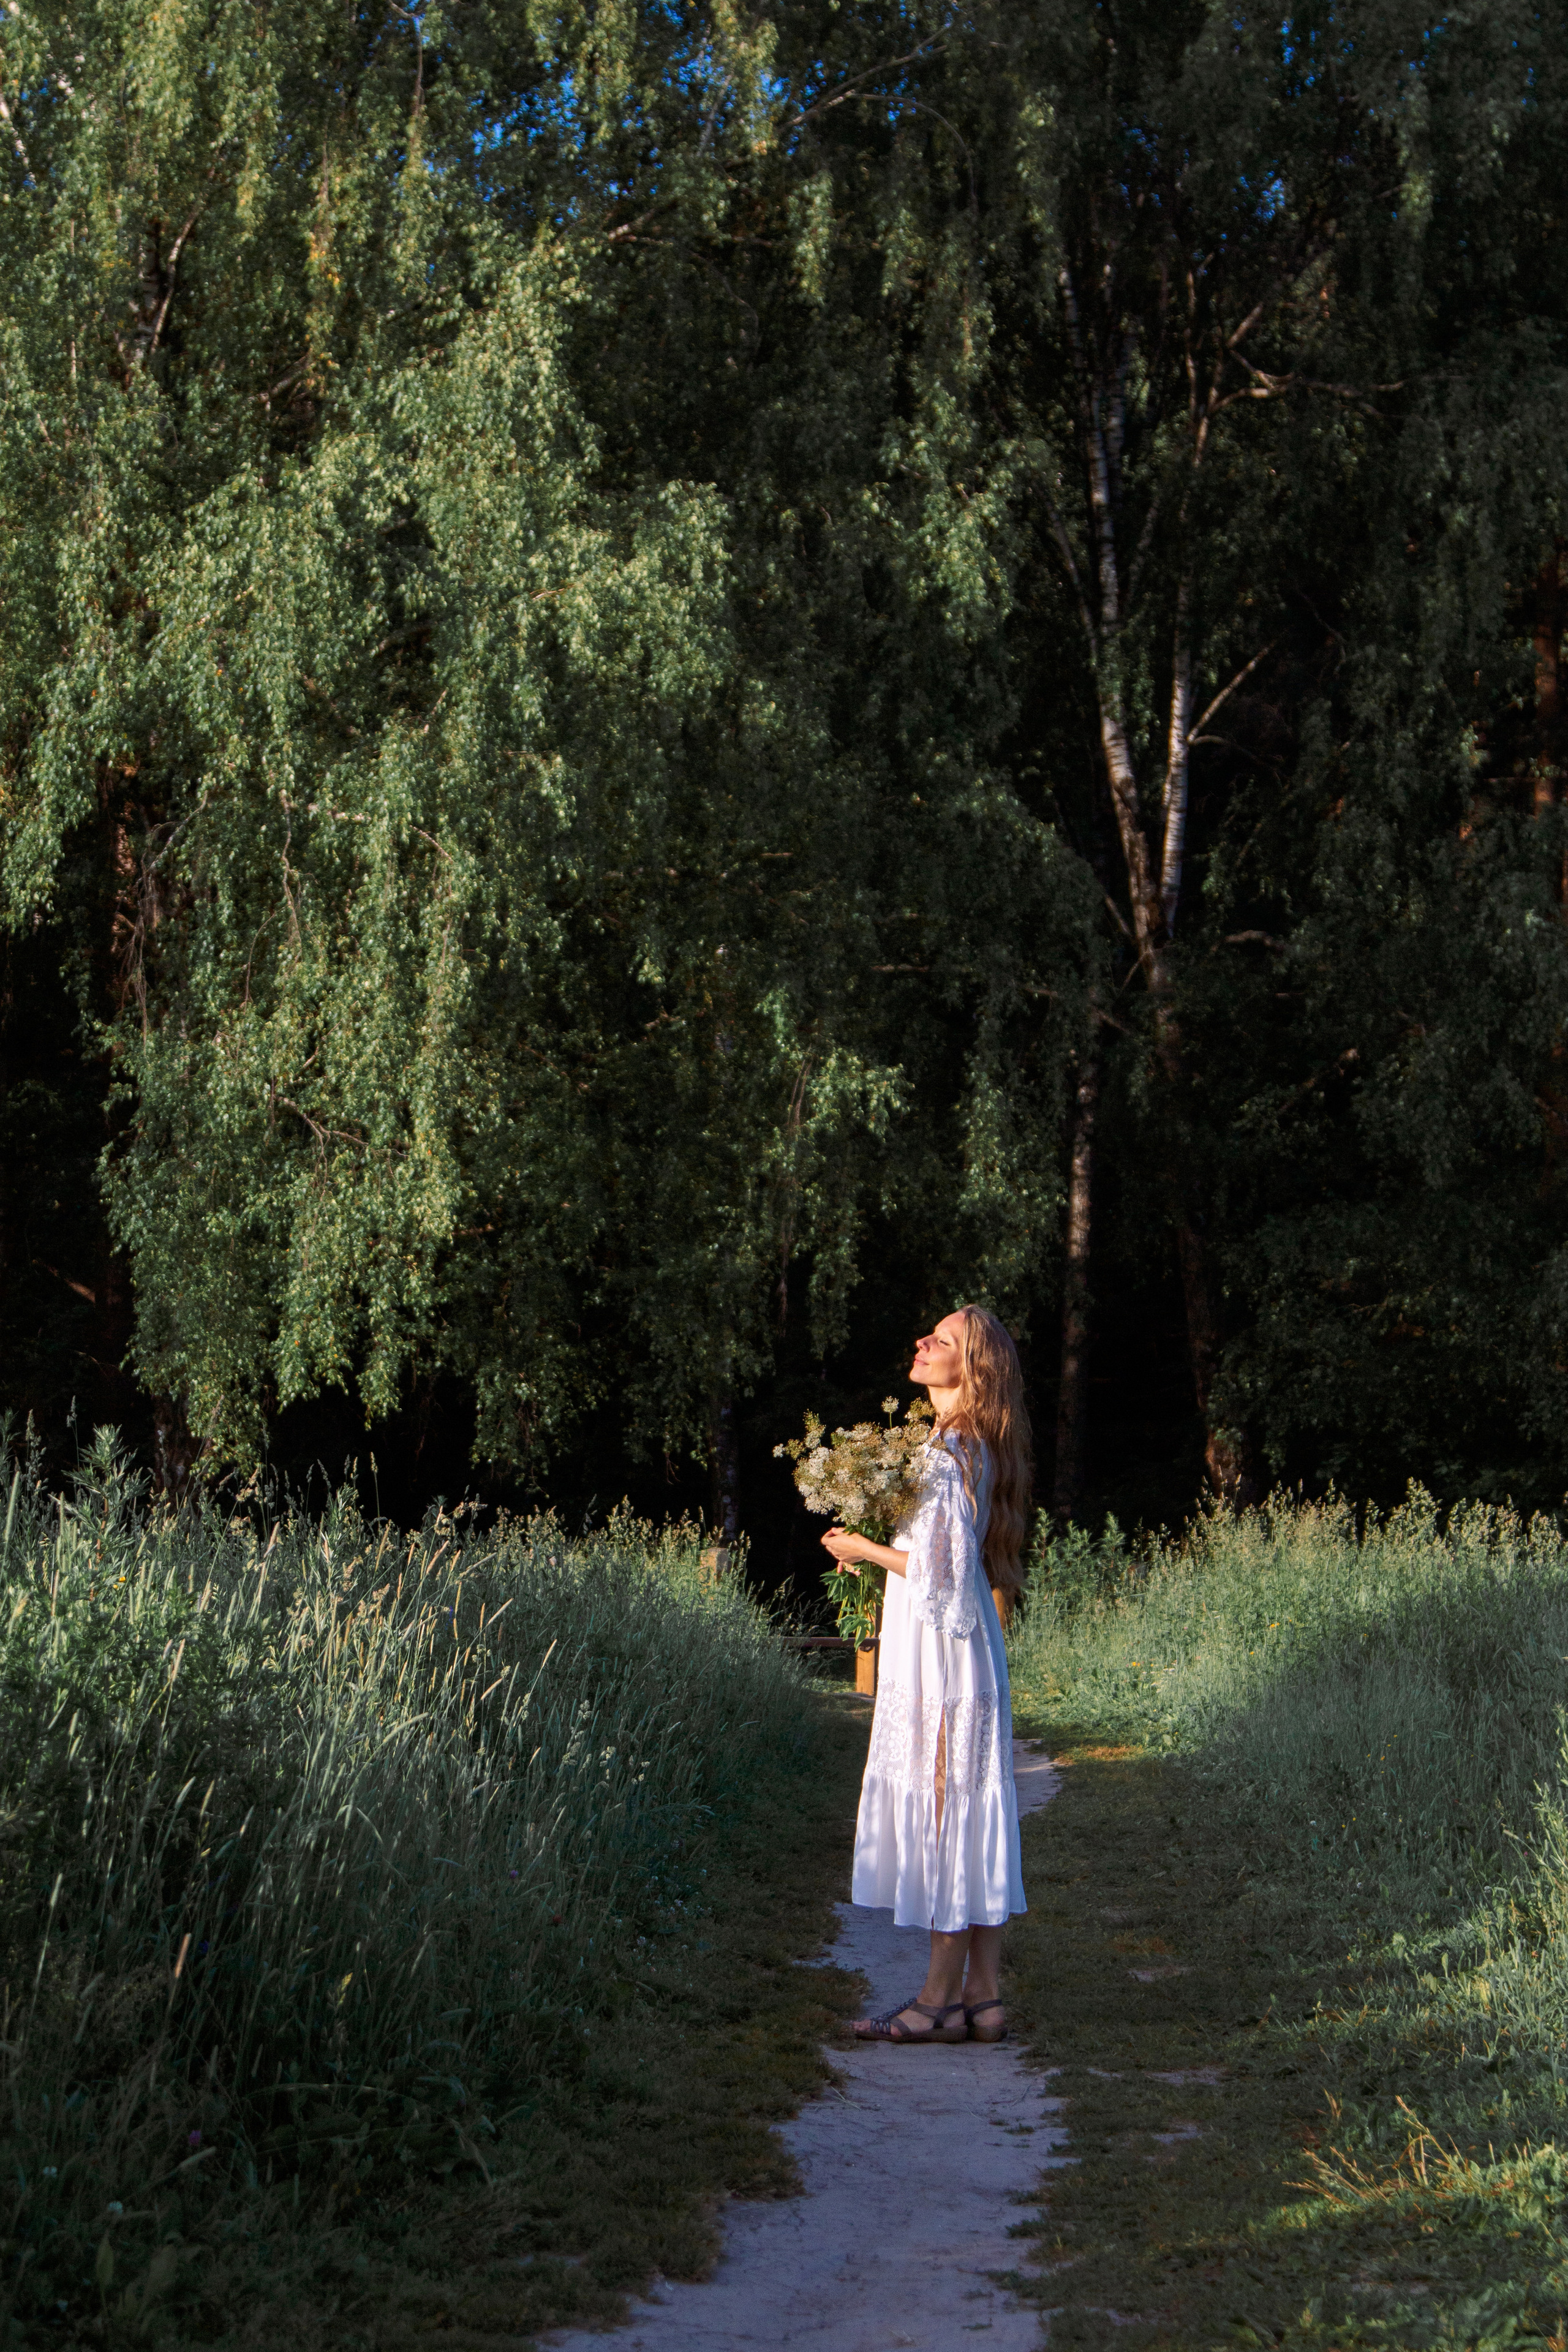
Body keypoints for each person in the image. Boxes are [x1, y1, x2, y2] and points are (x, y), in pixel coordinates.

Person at [821, 1305, 1030, 2045]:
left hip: (942, 1651)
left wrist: (863, 1547)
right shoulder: (973, 1443)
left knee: (948, 1809)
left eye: (940, 1341)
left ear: (970, 1368)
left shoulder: (948, 1451)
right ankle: (984, 1994)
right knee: (969, 1806)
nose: (921, 1343)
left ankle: (936, 2000)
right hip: (964, 1647)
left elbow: (936, 1577)